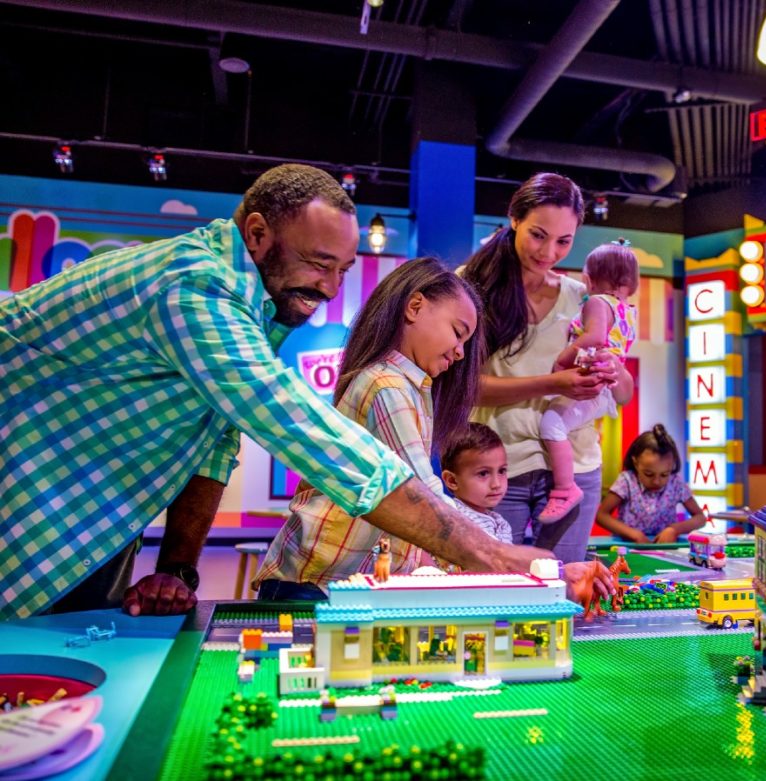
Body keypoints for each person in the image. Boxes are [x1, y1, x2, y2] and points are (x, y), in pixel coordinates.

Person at [0, 164, 566, 621]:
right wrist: (502, 558)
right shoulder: (194, 287)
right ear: (256, 235)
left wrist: (177, 570)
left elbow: (214, 444)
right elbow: (303, 432)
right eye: (319, 263)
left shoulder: (256, 310)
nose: (330, 286)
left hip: (86, 513)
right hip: (25, 497)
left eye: (343, 270)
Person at [254, 258, 487, 595]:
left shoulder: (410, 388)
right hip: (315, 584)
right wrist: (501, 555)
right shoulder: (387, 385)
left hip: (339, 583)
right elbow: (422, 494)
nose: (460, 352)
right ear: (415, 307)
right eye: (458, 332)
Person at [461, 172, 634, 564]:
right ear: (515, 218)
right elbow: (462, 388)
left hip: (576, 470)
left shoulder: (583, 298)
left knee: (564, 592)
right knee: (497, 596)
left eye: (564, 241)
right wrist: (554, 383)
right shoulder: (468, 290)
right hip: (496, 470)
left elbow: (622, 395)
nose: (549, 252)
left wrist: (613, 369)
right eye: (538, 235)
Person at [537, 240, 639, 523]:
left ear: (589, 279)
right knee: (563, 422)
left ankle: (565, 488)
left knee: (551, 424)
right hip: (604, 384)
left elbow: (594, 337)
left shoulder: (596, 302)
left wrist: (564, 357)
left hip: (591, 379)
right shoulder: (627, 310)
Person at [595, 425, 709, 544]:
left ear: (672, 465)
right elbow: (602, 516)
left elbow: (700, 518)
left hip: (664, 549)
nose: (657, 481)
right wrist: (633, 534)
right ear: (635, 462)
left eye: (664, 474)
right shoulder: (626, 481)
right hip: (628, 547)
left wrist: (674, 529)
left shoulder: (676, 483)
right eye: (648, 474)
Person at [439, 423, 514, 545]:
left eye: (501, 471)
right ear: (452, 480)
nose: (496, 484)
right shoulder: (454, 518)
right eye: (483, 474)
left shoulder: (500, 522)